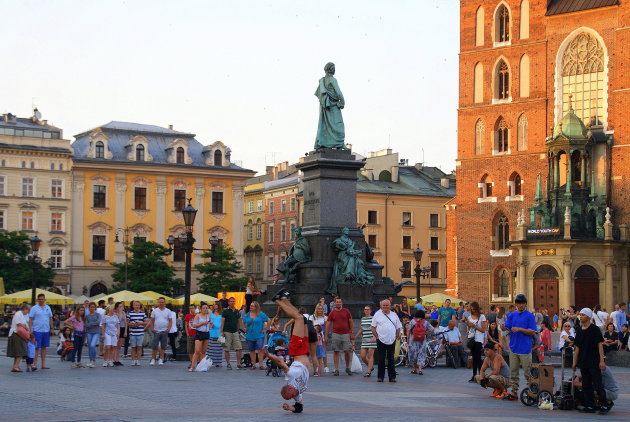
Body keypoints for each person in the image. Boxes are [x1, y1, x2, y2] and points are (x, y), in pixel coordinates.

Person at [265, 288, 310, 413]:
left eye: (291, 393)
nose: (295, 394)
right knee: (303, 318)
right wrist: (290, 408)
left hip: (297, 350)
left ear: (289, 388)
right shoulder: (297, 394)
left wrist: (268, 354)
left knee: (299, 319)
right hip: (304, 351)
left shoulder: (290, 377)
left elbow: (280, 362)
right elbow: (300, 408)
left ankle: (278, 301)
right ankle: (285, 300)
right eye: (293, 395)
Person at [501, 294, 536, 401]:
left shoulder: (529, 316)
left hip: (525, 348)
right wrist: (503, 326)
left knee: (527, 372)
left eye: (523, 303)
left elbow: (532, 331)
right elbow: (507, 326)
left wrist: (520, 329)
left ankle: (532, 393)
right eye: (519, 303)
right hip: (514, 347)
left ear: (525, 304)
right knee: (513, 372)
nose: (520, 305)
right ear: (516, 304)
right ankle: (514, 392)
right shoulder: (512, 315)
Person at [573, 307, 607, 414]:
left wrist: (602, 361)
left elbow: (600, 345)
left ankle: (604, 405)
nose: (581, 317)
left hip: (594, 361)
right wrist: (575, 361)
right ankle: (590, 405)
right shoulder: (579, 330)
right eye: (580, 315)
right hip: (583, 361)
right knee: (586, 385)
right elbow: (577, 347)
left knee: (598, 384)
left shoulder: (595, 329)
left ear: (588, 317)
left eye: (583, 315)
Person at [371, 299, 402, 383]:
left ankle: (392, 377)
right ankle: (380, 377)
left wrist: (397, 335)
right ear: (381, 306)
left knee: (391, 359)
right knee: (381, 359)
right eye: (383, 305)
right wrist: (377, 337)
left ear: (390, 306)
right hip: (381, 339)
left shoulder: (394, 315)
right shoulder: (377, 314)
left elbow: (398, 326)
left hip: (391, 340)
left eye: (387, 305)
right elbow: (373, 327)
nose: (385, 307)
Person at [325, 297, 354, 376]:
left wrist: (351, 332)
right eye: (337, 302)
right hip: (336, 334)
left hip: (345, 334)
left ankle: (347, 367)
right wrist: (326, 335)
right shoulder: (332, 313)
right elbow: (328, 324)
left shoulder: (346, 311)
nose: (338, 303)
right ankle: (336, 369)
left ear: (342, 303)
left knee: (347, 351)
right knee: (336, 351)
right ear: (334, 303)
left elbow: (351, 321)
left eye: (339, 302)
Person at [28, 293, 54, 370]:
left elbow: (50, 318)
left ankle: (43, 364)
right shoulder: (34, 308)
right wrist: (30, 329)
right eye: (40, 299)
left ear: (45, 300)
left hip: (46, 330)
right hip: (37, 330)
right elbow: (30, 319)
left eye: (42, 299)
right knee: (36, 347)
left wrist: (52, 328)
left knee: (44, 347)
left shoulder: (48, 307)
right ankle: (34, 364)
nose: (41, 300)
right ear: (37, 300)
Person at [465, 301, 487, 382]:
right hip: (472, 338)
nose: (473, 311)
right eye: (472, 309)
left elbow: (483, 330)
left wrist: (474, 325)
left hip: (478, 339)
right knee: (474, 357)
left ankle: (481, 375)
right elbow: (469, 327)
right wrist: (468, 328)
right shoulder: (470, 317)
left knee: (478, 357)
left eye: (474, 309)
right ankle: (474, 375)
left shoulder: (482, 317)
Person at [243, 301, 269, 370]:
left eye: (252, 306)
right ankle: (253, 364)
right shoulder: (248, 314)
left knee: (260, 349)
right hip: (250, 335)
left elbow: (268, 320)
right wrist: (245, 328)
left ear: (256, 307)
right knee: (251, 350)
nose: (250, 307)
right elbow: (243, 321)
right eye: (250, 305)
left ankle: (261, 364)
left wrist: (265, 329)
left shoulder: (261, 314)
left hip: (259, 335)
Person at [407, 310, 433, 375]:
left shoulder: (412, 321)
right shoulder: (425, 322)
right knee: (421, 353)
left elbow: (408, 330)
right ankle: (420, 370)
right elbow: (432, 329)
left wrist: (407, 339)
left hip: (413, 340)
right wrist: (425, 333)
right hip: (422, 340)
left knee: (413, 354)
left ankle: (414, 369)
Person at [221, 297, 244, 370]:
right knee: (227, 349)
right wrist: (221, 332)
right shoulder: (225, 311)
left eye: (233, 301)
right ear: (228, 302)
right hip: (227, 331)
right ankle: (228, 363)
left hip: (235, 332)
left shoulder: (237, 311)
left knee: (239, 348)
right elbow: (222, 322)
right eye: (231, 301)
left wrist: (238, 329)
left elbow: (238, 321)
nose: (232, 302)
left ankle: (238, 363)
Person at [148, 297, 172, 366]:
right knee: (154, 345)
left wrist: (168, 329)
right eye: (160, 302)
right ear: (158, 302)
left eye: (162, 302)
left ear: (165, 303)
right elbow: (152, 320)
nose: (161, 303)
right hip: (156, 330)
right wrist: (152, 328)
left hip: (164, 330)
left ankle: (161, 359)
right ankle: (153, 359)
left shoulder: (168, 311)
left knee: (163, 346)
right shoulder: (155, 311)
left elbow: (170, 321)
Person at [7, 303, 30, 372]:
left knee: (18, 351)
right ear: (25, 309)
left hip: (18, 334)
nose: (28, 312)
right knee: (20, 350)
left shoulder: (21, 315)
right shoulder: (18, 313)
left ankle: (15, 366)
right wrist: (25, 327)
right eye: (28, 310)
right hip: (16, 334)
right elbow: (18, 323)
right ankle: (16, 366)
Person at [189, 303, 212, 372]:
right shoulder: (198, 316)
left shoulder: (208, 316)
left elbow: (210, 323)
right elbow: (193, 325)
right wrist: (202, 323)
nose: (205, 309)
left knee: (203, 351)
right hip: (199, 333)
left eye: (206, 308)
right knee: (197, 351)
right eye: (204, 308)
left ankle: (202, 366)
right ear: (201, 309)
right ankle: (192, 366)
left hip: (206, 333)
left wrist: (210, 325)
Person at [355, 304, 376, 377]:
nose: (366, 311)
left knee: (370, 356)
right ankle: (371, 367)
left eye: (367, 309)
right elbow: (361, 329)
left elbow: (376, 328)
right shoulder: (363, 319)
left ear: (370, 311)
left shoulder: (373, 318)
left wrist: (375, 336)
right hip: (364, 339)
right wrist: (355, 336)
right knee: (363, 356)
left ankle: (368, 371)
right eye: (365, 309)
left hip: (371, 339)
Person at [309, 303, 329, 372]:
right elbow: (310, 327)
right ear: (316, 309)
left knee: (323, 350)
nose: (320, 310)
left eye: (321, 309)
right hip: (314, 335)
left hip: (322, 335)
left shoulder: (325, 317)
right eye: (318, 309)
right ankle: (316, 367)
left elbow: (326, 328)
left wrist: (326, 336)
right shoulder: (312, 317)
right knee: (314, 351)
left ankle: (325, 366)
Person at [127, 300, 148, 366]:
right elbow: (127, 323)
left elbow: (146, 322)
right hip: (132, 332)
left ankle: (138, 360)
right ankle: (133, 360)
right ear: (133, 306)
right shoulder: (130, 313)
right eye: (136, 305)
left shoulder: (143, 313)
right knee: (133, 347)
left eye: (138, 305)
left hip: (140, 332)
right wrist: (132, 324)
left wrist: (140, 323)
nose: (137, 306)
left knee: (139, 347)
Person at [84, 302, 101, 368]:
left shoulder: (98, 315)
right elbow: (86, 325)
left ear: (95, 308)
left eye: (93, 307)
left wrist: (90, 323)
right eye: (91, 307)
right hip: (89, 332)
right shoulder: (87, 316)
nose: (92, 308)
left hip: (96, 332)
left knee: (92, 345)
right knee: (90, 347)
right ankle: (91, 360)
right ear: (89, 308)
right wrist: (94, 323)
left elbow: (98, 322)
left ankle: (93, 360)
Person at [207, 302, 223, 368]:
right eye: (213, 305)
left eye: (215, 304)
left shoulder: (222, 314)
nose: (214, 306)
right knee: (211, 348)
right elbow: (208, 321)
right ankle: (210, 362)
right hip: (212, 332)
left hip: (220, 333)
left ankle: (218, 363)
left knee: (219, 349)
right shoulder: (210, 313)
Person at [113, 302, 127, 366]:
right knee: (115, 345)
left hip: (122, 328)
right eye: (120, 306)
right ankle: (114, 359)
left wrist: (125, 331)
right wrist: (119, 313)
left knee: (119, 346)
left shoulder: (123, 313)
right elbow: (117, 320)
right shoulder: (115, 313)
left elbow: (125, 322)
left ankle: (117, 359)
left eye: (122, 306)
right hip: (116, 329)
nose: (121, 308)